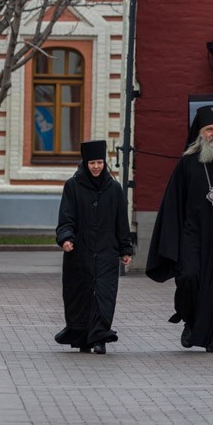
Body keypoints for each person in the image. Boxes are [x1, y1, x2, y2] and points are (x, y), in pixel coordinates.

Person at [146, 104, 213, 353]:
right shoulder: (187, 163)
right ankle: (188, 318)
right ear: (200, 133)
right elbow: (173, 205)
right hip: (193, 235)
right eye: (209, 129)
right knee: (189, 278)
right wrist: (171, 243)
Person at [54, 140, 133, 354]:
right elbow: (66, 217)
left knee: (104, 295)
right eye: (92, 163)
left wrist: (125, 249)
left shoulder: (114, 188)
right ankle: (83, 337)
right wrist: (66, 238)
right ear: (85, 163)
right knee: (80, 295)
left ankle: (99, 338)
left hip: (107, 252)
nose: (96, 167)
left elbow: (121, 221)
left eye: (99, 162)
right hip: (79, 252)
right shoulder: (72, 186)